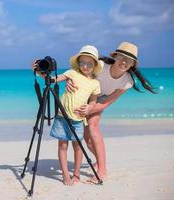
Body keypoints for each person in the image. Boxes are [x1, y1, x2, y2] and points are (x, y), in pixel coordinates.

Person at [66, 42, 156, 183]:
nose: (124, 61)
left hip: (100, 99)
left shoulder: (127, 82)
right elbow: (80, 71)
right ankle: (99, 162)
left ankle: (102, 171)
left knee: (93, 125)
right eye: (122, 57)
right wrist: (69, 80)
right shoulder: (101, 66)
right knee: (86, 138)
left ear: (133, 64)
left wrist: (90, 108)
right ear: (115, 56)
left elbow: (106, 102)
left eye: (129, 60)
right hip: (83, 93)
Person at [33, 45, 103, 185]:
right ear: (78, 63)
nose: (85, 66)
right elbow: (52, 80)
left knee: (78, 147)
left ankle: (76, 174)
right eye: (82, 62)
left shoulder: (95, 83)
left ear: (95, 65)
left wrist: (89, 107)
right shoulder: (72, 73)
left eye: (89, 63)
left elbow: (94, 100)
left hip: (78, 119)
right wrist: (39, 70)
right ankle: (65, 174)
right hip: (61, 116)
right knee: (62, 146)